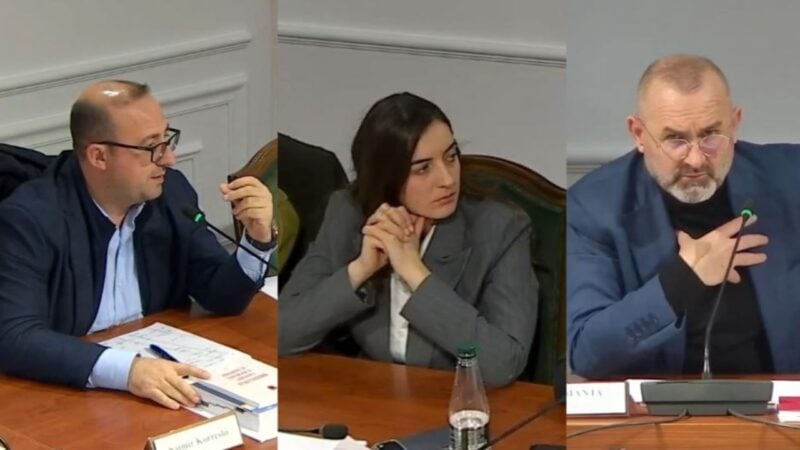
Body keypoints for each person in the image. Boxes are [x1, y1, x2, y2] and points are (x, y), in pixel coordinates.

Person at [0, 80, 275, 409]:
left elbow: (221, 296)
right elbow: (15, 337)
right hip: (65, 396)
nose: (169, 159)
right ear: (99, 156)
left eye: (167, 139)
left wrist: (257, 239)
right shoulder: (31, 218)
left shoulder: (170, 193)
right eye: (151, 147)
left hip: (157, 388)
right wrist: (128, 371)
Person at [279, 92, 537, 387]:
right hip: (369, 394)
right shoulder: (349, 212)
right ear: (386, 176)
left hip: (458, 398)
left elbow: (503, 364)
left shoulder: (499, 228)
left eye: (451, 157)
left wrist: (415, 272)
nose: (448, 180)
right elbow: (283, 333)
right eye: (423, 168)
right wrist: (360, 269)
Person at [568, 54, 800, 378]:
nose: (695, 160)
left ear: (735, 124)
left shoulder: (790, 178)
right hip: (660, 406)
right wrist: (683, 280)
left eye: (710, 135)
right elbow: (587, 352)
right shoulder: (593, 208)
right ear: (638, 134)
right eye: (675, 139)